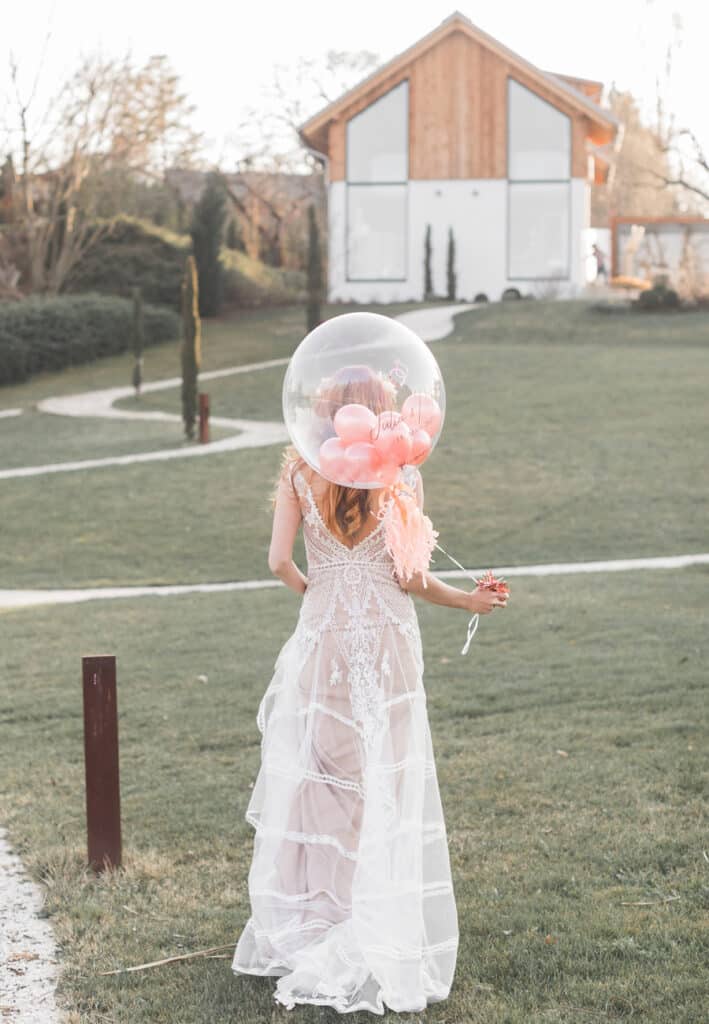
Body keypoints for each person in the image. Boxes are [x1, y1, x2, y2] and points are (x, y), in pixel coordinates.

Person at [231, 370, 508, 1014]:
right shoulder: (401, 472)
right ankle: (375, 911)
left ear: (321, 411)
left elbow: (277, 561)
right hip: (386, 641)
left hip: (324, 641)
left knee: (322, 781)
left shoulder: (298, 472)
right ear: (382, 412)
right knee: (384, 776)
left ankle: (321, 918)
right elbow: (411, 577)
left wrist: (320, 597)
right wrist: (470, 598)